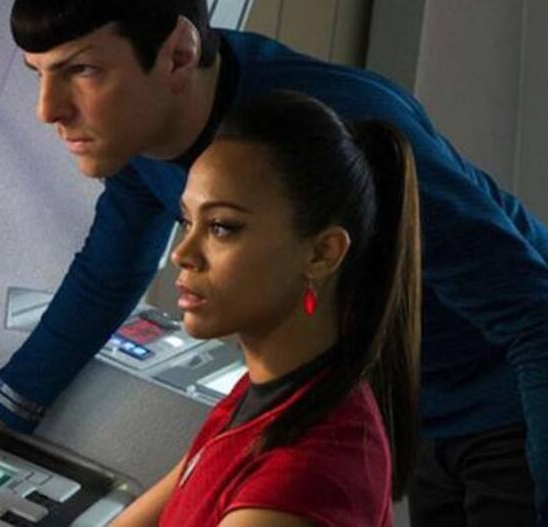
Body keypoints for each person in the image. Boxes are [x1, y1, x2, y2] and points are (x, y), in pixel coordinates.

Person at [0, 0, 548, 523]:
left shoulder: (336, 126)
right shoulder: (147, 128)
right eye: (40, 75)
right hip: (415, 408)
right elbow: (109, 271)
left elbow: (532, 314)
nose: (47, 111)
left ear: (179, 55)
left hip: (509, 397)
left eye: (83, 70)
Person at [108, 90, 421, 527]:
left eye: (221, 227)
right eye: (187, 221)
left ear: (322, 254)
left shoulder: (308, 471)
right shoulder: (262, 392)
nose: (183, 253)